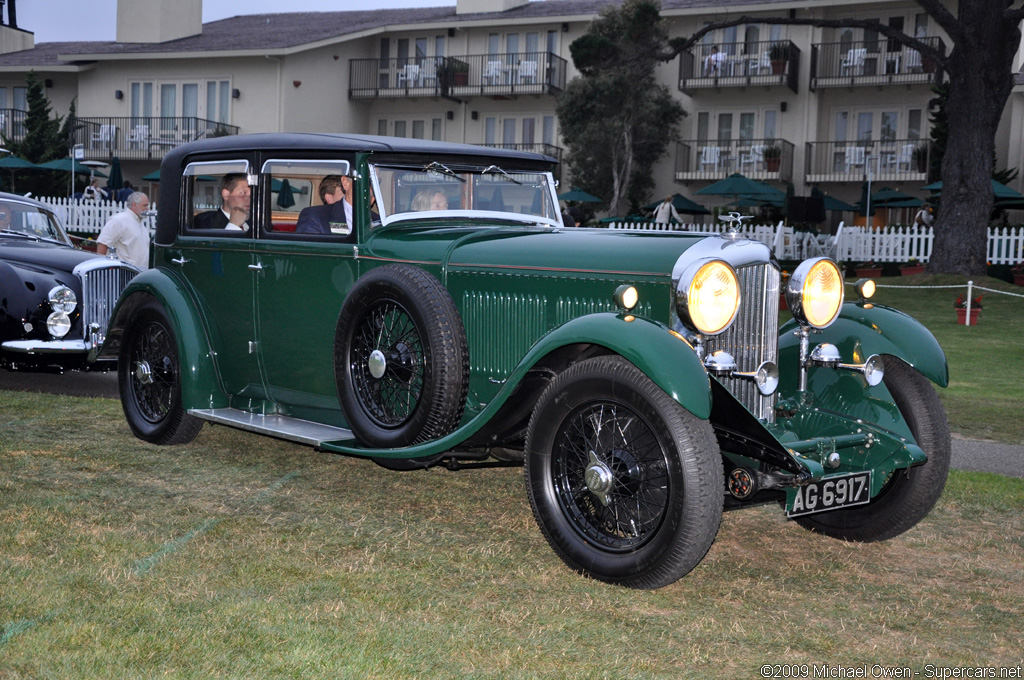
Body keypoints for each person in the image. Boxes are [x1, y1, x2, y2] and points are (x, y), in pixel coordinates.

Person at [96, 191, 150, 270]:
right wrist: (100, 270)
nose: (147, 208)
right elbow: (102, 243)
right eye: (144, 205)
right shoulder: (119, 220)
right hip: (125, 273)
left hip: (141, 273)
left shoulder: (140, 223)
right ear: (134, 204)